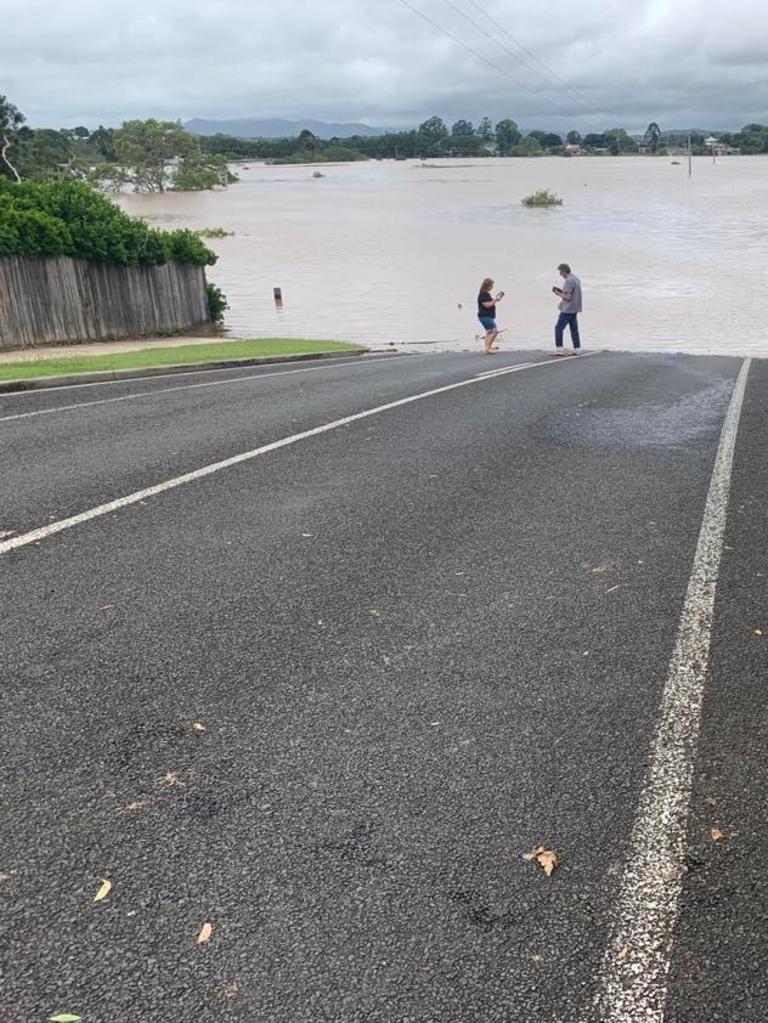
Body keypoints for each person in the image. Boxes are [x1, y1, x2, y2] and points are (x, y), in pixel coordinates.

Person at [551, 263, 582, 355]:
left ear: (564, 271)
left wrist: (558, 293)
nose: (560, 275)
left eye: (560, 273)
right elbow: (572, 294)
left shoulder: (568, 281)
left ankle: (559, 349)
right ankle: (577, 348)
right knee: (574, 329)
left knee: (558, 328)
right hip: (575, 307)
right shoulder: (576, 279)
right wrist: (563, 292)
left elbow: (568, 297)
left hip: (567, 308)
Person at [477, 277, 504, 354]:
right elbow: (487, 305)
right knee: (494, 331)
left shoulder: (486, 294)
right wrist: (495, 300)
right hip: (485, 316)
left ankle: (487, 347)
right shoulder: (483, 294)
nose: (492, 287)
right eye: (491, 285)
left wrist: (495, 300)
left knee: (489, 331)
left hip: (487, 316)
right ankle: (488, 348)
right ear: (488, 286)